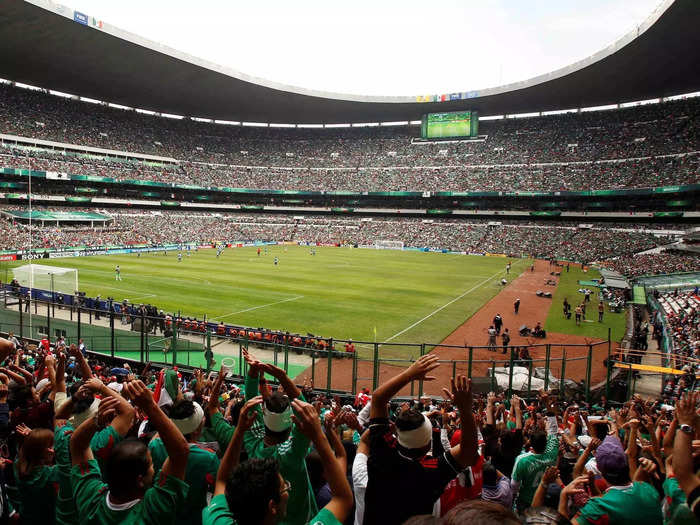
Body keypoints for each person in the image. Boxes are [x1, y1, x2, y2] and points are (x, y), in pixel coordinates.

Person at [363, 354, 479, 525]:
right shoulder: (431, 470)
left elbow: (378, 398)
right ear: (428, 445)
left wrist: (410, 373)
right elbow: (469, 453)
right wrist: (465, 410)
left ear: (397, 436)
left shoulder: (382, 454)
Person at [70, 380, 190, 523]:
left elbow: (77, 445)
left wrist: (96, 420)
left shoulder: (90, 498)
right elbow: (180, 452)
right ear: (140, 480)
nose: (154, 469)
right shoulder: (153, 509)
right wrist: (150, 406)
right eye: (151, 465)